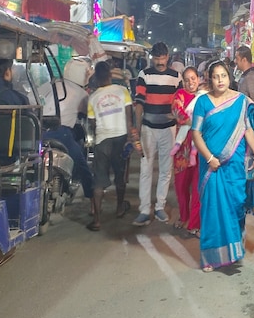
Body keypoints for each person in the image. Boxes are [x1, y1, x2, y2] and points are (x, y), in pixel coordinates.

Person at [191, 60, 254, 272]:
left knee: (236, 204)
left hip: (235, 165)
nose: (220, 80)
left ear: (229, 77)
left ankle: (233, 246)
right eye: (216, 76)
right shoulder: (203, 102)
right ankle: (211, 257)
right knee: (212, 209)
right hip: (211, 165)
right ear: (210, 79)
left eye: (224, 75)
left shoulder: (241, 101)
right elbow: (196, 132)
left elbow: (248, 130)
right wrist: (209, 157)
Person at [132, 42, 182, 226]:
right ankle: (145, 209)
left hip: (169, 128)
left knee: (165, 169)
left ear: (167, 57)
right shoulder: (144, 75)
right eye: (157, 58)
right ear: (152, 57)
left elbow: (180, 104)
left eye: (163, 58)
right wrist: (137, 129)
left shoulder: (176, 77)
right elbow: (139, 103)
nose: (160, 62)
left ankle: (160, 206)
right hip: (148, 128)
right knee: (146, 168)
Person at [39, 58, 95, 203]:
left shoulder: (49, 85)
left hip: (39, 130)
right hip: (61, 132)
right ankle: (91, 196)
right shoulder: (82, 94)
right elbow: (86, 115)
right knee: (82, 165)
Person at [86, 61, 134, 231]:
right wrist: (130, 138)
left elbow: (91, 123)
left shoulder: (93, 98)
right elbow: (129, 118)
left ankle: (97, 221)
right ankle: (120, 208)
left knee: (99, 180)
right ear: (110, 75)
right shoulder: (122, 92)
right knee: (120, 176)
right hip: (120, 138)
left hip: (102, 141)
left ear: (96, 78)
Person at [170, 66, 205, 235]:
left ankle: (194, 222)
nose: (191, 82)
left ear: (198, 79)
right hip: (182, 149)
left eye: (193, 78)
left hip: (200, 149)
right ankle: (183, 216)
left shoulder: (205, 97)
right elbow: (179, 114)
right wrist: (198, 121)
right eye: (187, 79)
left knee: (198, 188)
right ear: (183, 81)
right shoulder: (179, 96)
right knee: (181, 185)